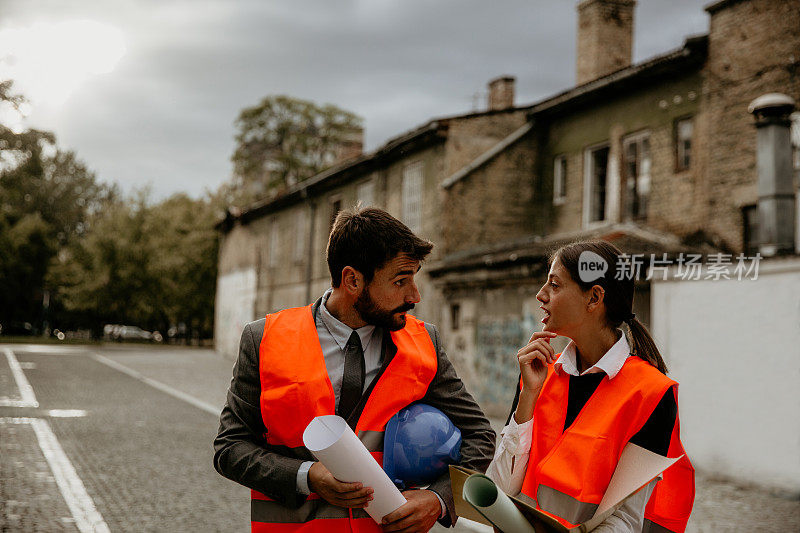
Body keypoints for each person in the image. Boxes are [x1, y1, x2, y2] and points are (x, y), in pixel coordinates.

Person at [214, 207, 496, 532]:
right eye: (400, 281)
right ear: (352, 280)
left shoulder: (424, 341)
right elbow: (230, 448)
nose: (414, 295)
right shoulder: (262, 338)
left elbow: (481, 436)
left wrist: (438, 499)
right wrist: (307, 476)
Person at [486, 240, 694, 533]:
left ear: (594, 298)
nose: (541, 294)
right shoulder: (537, 374)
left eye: (555, 285)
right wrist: (528, 397)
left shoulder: (651, 394)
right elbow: (500, 486)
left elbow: (626, 519)